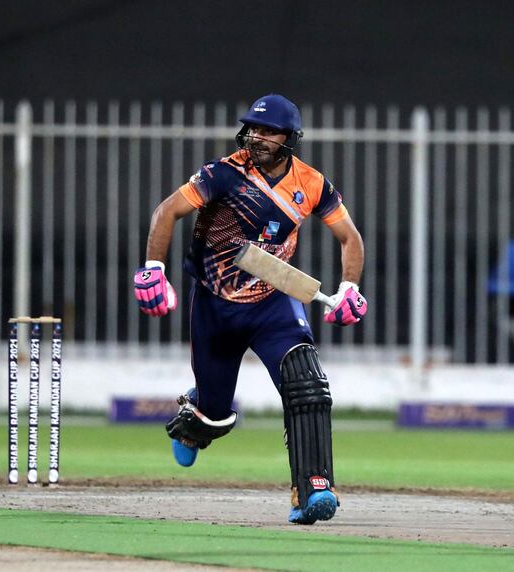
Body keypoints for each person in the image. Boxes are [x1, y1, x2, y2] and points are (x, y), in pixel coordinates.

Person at [133, 94, 367, 525]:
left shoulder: (311, 183)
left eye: (268, 131)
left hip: (273, 299)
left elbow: (350, 238)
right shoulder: (223, 174)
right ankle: (195, 418)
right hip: (216, 306)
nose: (257, 137)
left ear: (289, 138)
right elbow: (168, 211)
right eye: (253, 129)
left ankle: (312, 487)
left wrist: (349, 287)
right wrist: (152, 270)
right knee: (217, 414)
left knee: (307, 384)